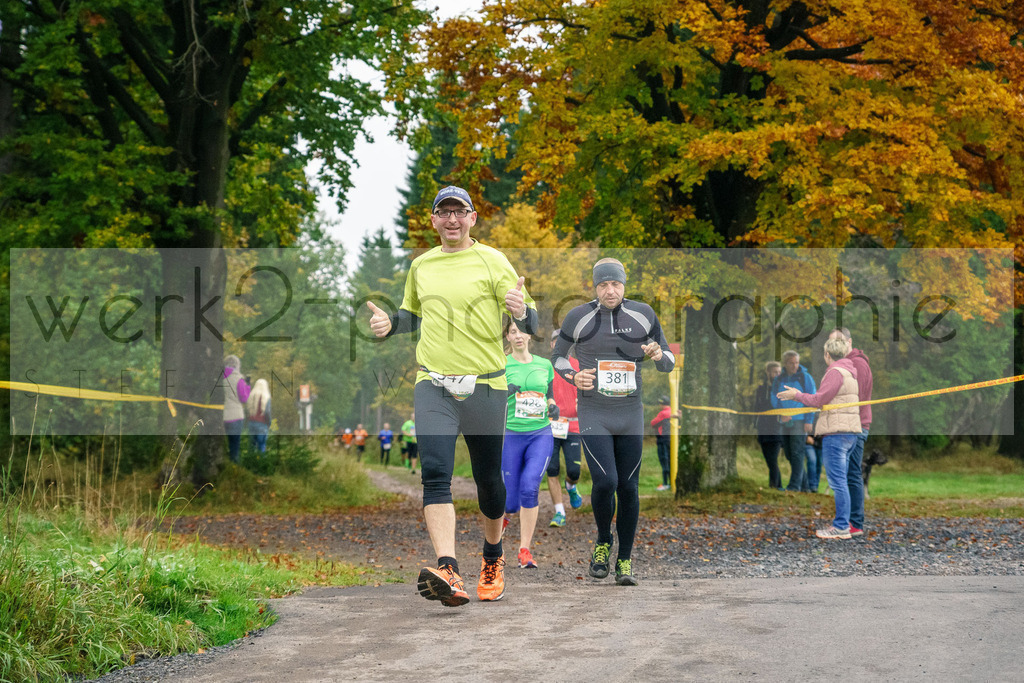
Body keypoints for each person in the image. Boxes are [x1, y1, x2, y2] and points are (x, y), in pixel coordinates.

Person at [367, 185, 537, 606]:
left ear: (473, 218)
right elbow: (411, 315)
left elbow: (529, 315)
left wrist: (518, 308)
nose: (452, 220)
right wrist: (390, 324)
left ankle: (493, 556)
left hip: (484, 384)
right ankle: (448, 568)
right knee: (435, 472)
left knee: (488, 482)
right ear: (433, 220)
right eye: (444, 212)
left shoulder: (493, 260)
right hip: (434, 383)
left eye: (460, 212)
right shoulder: (421, 265)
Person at [551, 258, 675, 586]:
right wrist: (574, 376)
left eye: (616, 284)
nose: (610, 290)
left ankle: (625, 560)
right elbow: (558, 356)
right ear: (595, 287)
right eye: (604, 285)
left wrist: (659, 357)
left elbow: (669, 360)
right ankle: (604, 541)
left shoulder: (644, 314)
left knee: (629, 486)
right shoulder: (578, 316)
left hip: (630, 412)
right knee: (606, 482)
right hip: (594, 412)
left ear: (624, 285)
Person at [776, 338, 861, 539]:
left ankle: (841, 526)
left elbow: (819, 400)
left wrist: (797, 395)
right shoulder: (850, 372)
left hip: (837, 433)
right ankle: (844, 524)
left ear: (827, 355)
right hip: (849, 433)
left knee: (838, 482)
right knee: (842, 481)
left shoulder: (835, 372)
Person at [500, 320, 557, 568]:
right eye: (513, 332)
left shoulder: (544, 365)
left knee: (530, 486)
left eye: (522, 330)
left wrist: (553, 405)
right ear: (508, 338)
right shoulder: (501, 364)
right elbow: (489, 396)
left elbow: (550, 393)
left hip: (540, 434)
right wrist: (504, 390)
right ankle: (495, 540)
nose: (518, 335)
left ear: (529, 335)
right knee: (510, 502)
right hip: (511, 435)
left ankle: (525, 550)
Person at [829, 327, 873, 537]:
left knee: (852, 473)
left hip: (856, 426)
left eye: (838, 341)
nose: (833, 346)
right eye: (830, 342)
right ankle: (847, 521)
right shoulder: (841, 365)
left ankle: (854, 523)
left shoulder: (858, 364)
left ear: (849, 342)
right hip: (846, 425)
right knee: (845, 474)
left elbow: (858, 397)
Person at [546, 328, 583, 527]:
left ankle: (570, 486)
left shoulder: (578, 366)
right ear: (551, 345)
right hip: (550, 426)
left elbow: (588, 390)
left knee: (574, 471)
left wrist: (582, 402)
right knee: (552, 469)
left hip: (574, 426)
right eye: (555, 341)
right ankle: (559, 512)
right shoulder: (545, 367)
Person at [770, 351, 816, 491]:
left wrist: (809, 420)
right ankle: (805, 487)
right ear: (785, 363)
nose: (795, 365)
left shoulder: (805, 377)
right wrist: (781, 413)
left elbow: (812, 398)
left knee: (797, 452)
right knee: (789, 453)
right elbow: (774, 397)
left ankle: (794, 486)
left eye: (796, 362)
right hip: (784, 421)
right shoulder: (779, 379)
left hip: (800, 420)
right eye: (791, 362)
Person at [753, 361, 783, 490]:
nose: (777, 374)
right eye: (775, 372)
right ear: (768, 373)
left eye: (779, 372)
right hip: (763, 429)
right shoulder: (761, 389)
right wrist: (754, 422)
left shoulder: (783, 388)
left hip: (776, 429)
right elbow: (756, 407)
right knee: (769, 459)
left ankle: (773, 486)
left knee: (772, 459)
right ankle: (779, 486)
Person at [222, 355, 251, 464]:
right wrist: (248, 386)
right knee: (235, 445)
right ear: (237, 365)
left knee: (225, 444)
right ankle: (234, 468)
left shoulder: (221, 379)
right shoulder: (239, 379)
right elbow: (244, 398)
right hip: (236, 416)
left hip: (224, 415)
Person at [650, 396, 680, 491]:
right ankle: (672, 482)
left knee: (664, 461)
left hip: (663, 440)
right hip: (672, 440)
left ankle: (666, 483)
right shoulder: (674, 411)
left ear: (662, 404)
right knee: (672, 461)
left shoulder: (663, 413)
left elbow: (653, 423)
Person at [246, 378, 272, 454]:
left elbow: (247, 410)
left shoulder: (251, 396)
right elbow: (267, 412)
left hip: (251, 423)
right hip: (262, 424)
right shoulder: (266, 397)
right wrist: (269, 423)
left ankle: (250, 463)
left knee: (251, 446)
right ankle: (261, 463)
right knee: (261, 446)